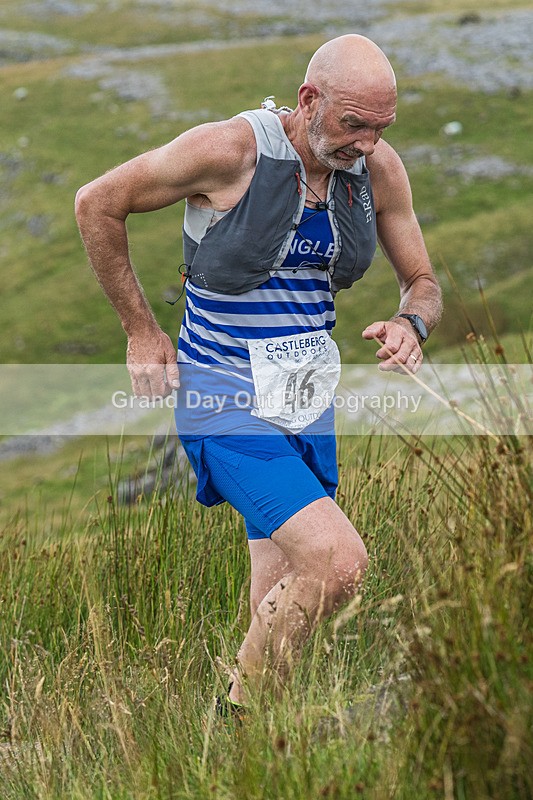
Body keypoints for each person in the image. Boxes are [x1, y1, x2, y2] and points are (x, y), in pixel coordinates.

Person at [75, 34, 442, 711]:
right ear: (309, 99)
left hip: (306, 401)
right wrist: (140, 330)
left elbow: (422, 281)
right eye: (353, 124)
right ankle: (237, 720)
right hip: (223, 400)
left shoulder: (377, 169)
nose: (366, 143)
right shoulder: (228, 152)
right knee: (337, 562)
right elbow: (96, 201)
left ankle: (251, 746)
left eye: (381, 127)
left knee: (282, 593)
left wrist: (409, 323)